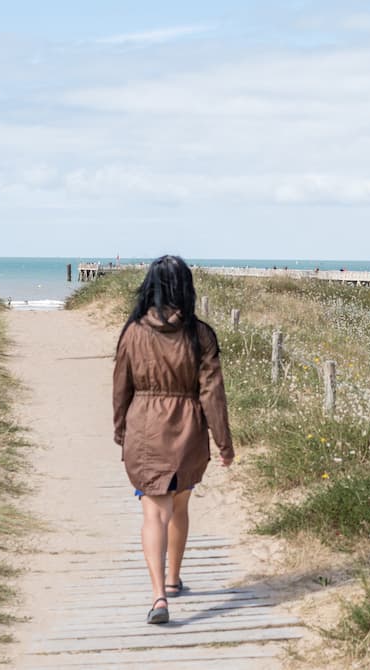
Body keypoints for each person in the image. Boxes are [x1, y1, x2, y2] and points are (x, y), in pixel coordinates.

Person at [112, 255, 234, 624]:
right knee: (179, 507)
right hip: (188, 429)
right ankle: (174, 579)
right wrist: (224, 443)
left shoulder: (132, 331)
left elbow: (121, 387)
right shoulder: (200, 335)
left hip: (144, 428)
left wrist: (121, 429)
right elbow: (213, 394)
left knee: (154, 512)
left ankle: (159, 597)